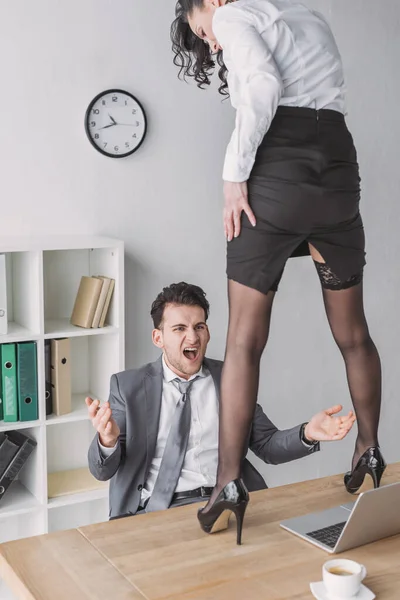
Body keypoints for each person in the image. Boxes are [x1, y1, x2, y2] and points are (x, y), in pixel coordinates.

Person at [170, 0, 386, 541]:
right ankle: (370, 447)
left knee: (243, 342)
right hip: (336, 167)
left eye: (203, 30)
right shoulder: (307, 13)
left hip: (278, 168)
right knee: (353, 333)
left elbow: (263, 87)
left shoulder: (233, 14)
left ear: (207, 5)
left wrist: (232, 177)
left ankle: (227, 486)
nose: (213, 42)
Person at [87, 283, 355, 542]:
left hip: (225, 504)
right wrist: (107, 441)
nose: (192, 337)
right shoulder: (128, 386)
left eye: (199, 327)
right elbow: (102, 471)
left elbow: (266, 445)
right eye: (179, 328)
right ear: (159, 338)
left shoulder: (231, 377)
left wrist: (308, 433)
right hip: (155, 510)